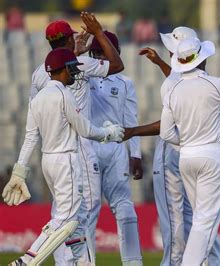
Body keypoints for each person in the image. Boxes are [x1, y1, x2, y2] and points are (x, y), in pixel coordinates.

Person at [3, 48, 124, 266]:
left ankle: (82, 263)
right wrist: (109, 133)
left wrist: (19, 172)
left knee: (79, 218)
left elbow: (30, 138)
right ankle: (26, 261)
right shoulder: (63, 94)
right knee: (66, 220)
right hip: (66, 160)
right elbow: (85, 129)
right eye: (71, 69)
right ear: (62, 69)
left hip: (48, 161)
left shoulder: (37, 98)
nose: (74, 74)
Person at [28, 12, 125, 265]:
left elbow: (34, 114)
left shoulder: (40, 73)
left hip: (52, 149)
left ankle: (64, 263)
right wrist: (99, 32)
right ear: (69, 40)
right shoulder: (82, 64)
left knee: (63, 213)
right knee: (81, 215)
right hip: (78, 147)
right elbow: (117, 65)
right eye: (73, 37)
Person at [137, 26, 220, 265]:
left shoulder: (174, 85)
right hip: (200, 155)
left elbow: (166, 129)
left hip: (175, 156)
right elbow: (177, 77)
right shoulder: (199, 81)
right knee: (201, 219)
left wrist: (132, 132)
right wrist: (160, 64)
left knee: (176, 222)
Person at [87, 30, 143, 264]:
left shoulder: (124, 83)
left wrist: (136, 154)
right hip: (88, 146)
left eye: (104, 51)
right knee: (89, 208)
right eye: (96, 52)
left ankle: (133, 262)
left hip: (115, 148)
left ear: (115, 53)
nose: (100, 57)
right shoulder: (82, 76)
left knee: (124, 207)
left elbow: (131, 120)